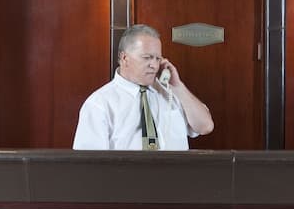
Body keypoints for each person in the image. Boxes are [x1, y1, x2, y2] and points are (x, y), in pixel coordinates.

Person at [73, 24, 214, 150]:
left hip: (175, 172)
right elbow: (89, 164)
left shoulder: (171, 93)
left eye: (157, 59)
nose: (154, 65)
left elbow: (205, 127)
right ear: (124, 58)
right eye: (147, 58)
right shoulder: (99, 104)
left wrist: (178, 87)